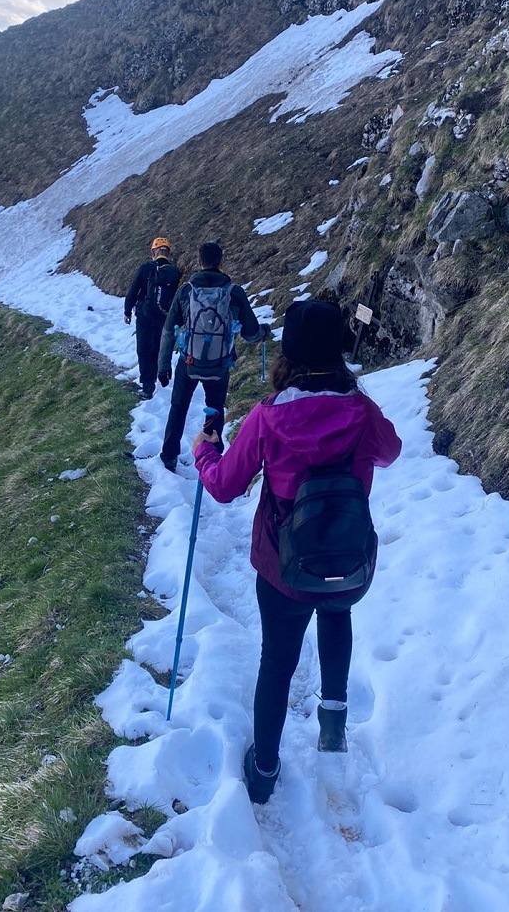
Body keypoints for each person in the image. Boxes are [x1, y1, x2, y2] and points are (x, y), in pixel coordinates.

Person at [192, 298, 402, 804]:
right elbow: (391, 451)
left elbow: (223, 486)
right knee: (336, 614)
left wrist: (205, 449)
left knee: (277, 660)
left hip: (283, 565)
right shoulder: (360, 410)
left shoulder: (268, 417)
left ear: (289, 353)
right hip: (348, 559)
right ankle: (332, 729)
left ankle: (264, 769)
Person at [157, 240, 269, 472]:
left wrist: (163, 366)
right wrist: (264, 333)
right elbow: (251, 333)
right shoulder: (233, 292)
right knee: (215, 407)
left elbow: (168, 331)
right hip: (219, 365)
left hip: (188, 362)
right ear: (221, 261)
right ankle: (214, 458)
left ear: (199, 262)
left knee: (178, 407)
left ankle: (169, 456)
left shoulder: (186, 291)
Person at [124, 237, 182, 400]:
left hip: (144, 315)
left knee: (143, 350)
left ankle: (147, 386)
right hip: (164, 317)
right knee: (157, 349)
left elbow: (134, 290)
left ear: (153, 252)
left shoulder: (146, 268)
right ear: (168, 253)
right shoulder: (175, 272)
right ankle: (157, 376)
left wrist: (127, 310)